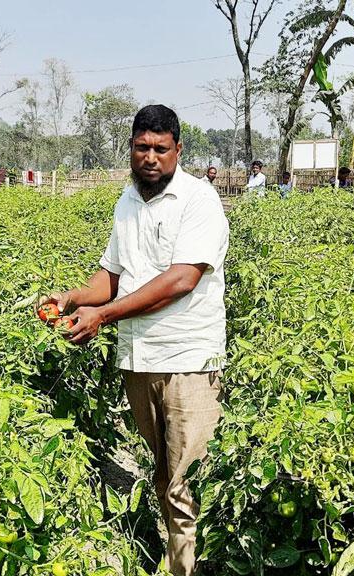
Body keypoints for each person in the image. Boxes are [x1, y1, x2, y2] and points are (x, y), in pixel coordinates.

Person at [37, 104, 228, 576]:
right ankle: (172, 558)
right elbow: (113, 273)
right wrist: (73, 297)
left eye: (161, 149)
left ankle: (188, 569)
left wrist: (103, 314)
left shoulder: (199, 200)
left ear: (178, 150)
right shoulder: (128, 201)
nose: (151, 157)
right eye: (142, 147)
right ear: (131, 148)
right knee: (162, 474)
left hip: (188, 362)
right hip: (139, 359)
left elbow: (181, 279)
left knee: (186, 484)